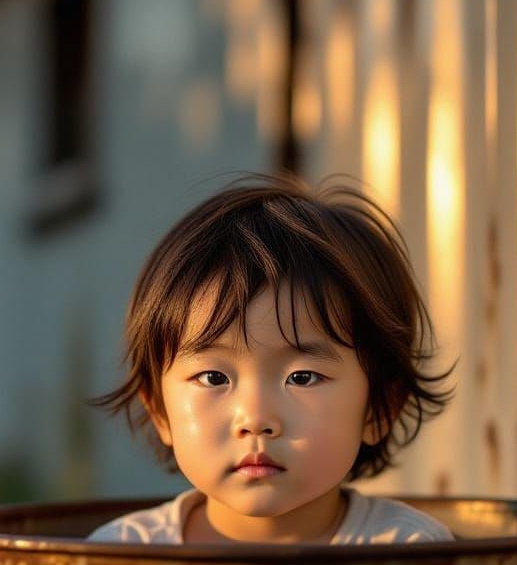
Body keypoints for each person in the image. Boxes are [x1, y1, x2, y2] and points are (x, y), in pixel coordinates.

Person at [87, 172, 456, 545]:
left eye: (302, 377)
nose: (256, 419)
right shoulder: (122, 558)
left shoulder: (407, 555)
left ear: (379, 408)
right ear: (160, 412)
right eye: (214, 378)